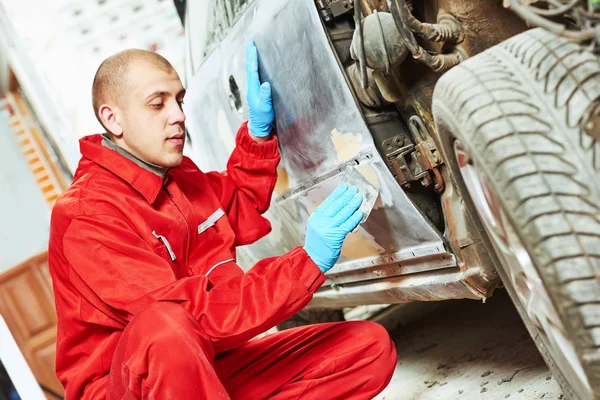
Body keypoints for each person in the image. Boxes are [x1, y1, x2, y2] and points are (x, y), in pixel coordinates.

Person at [48, 41, 396, 400]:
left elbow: (236, 200)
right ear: (112, 118)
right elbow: (194, 317)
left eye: (179, 100)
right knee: (163, 327)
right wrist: (304, 264)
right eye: (158, 103)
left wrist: (259, 134)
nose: (178, 115)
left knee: (367, 348)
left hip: (208, 369)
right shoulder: (86, 215)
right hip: (137, 388)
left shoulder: (176, 175)